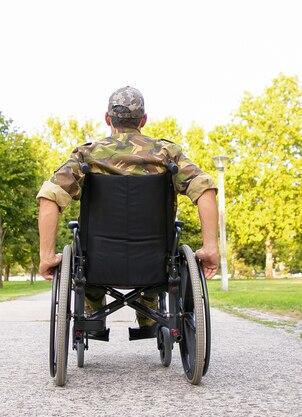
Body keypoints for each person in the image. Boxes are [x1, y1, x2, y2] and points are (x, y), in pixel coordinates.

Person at [37, 86, 220, 335]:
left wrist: (47, 256)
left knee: (84, 257)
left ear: (108, 118)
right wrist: (211, 248)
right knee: (164, 259)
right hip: (155, 262)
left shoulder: (87, 155)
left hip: (97, 262)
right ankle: (148, 308)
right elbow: (205, 190)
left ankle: (93, 309)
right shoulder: (167, 154)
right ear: (143, 120)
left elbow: (49, 197)